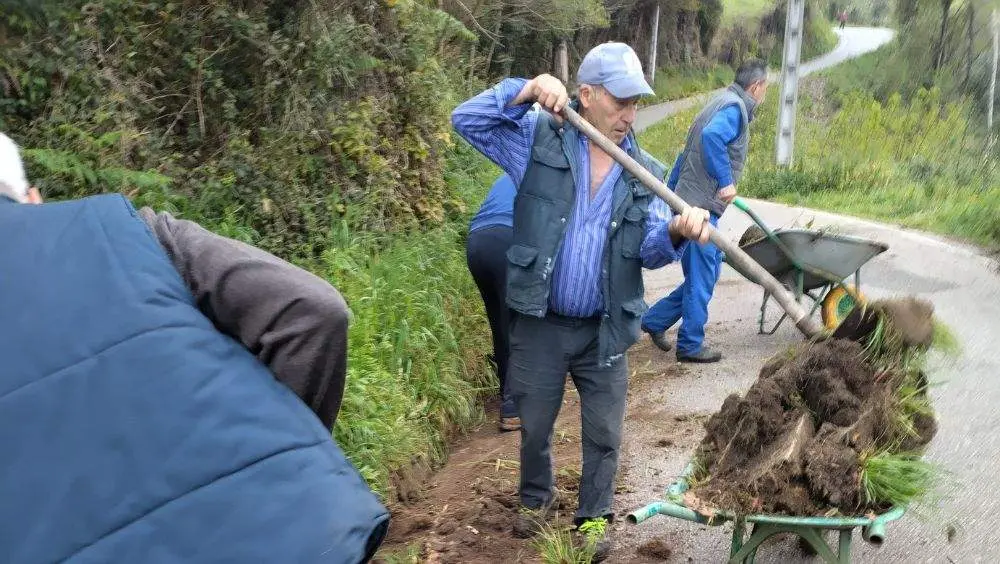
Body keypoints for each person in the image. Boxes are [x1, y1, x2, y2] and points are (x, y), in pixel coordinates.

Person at [0, 132, 389, 563]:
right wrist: (279, 463)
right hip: (281, 535)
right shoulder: (129, 229)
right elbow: (311, 309)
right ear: (33, 199)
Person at [452, 42, 711, 560]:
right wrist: (524, 90)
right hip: (542, 321)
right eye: (620, 103)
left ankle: (593, 521)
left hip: (605, 326)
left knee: (604, 433)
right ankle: (534, 501)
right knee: (535, 423)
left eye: (636, 103)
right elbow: (467, 121)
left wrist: (679, 232)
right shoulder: (536, 142)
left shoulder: (643, 171)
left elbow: (651, 251)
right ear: (586, 96)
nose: (629, 116)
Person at [640, 59, 770, 364]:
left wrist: (671, 197)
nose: (764, 95)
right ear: (757, 86)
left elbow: (686, 152)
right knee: (703, 276)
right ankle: (690, 344)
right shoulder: (735, 109)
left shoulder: (718, 102)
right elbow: (711, 139)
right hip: (698, 211)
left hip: (687, 203)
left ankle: (655, 320)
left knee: (703, 275)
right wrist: (725, 182)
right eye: (765, 89)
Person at [466, 172, 519, 431]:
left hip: (476, 242)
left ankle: (505, 393)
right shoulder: (550, 169)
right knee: (519, 324)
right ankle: (513, 407)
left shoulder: (508, 172)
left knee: (500, 323)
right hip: (507, 238)